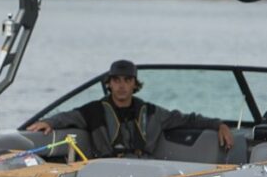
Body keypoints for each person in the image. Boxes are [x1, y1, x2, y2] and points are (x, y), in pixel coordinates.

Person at [26, 59, 233, 158]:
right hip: (107, 167)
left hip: (144, 167)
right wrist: (48, 122)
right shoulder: (94, 111)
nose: (122, 85)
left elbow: (189, 119)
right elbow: (66, 117)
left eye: (127, 80)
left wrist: (219, 125)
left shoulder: (152, 112)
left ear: (135, 84)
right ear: (109, 84)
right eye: (116, 80)